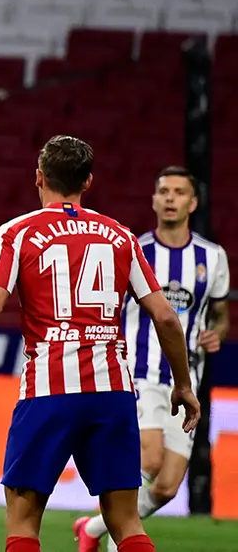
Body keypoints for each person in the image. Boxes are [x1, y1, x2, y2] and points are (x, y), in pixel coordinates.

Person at [0, 135, 201, 552]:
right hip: (112, 392)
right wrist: (184, 385)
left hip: (49, 391)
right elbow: (167, 317)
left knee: (24, 522)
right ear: (88, 182)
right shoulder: (120, 236)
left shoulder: (17, 233)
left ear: (39, 177)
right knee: (125, 522)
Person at [75, 166, 230, 552]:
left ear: (192, 203)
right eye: (164, 191)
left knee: (166, 486)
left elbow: (221, 314)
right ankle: (118, 543)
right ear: (154, 200)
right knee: (150, 457)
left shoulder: (212, 258)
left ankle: (92, 528)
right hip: (137, 373)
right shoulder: (132, 249)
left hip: (185, 379)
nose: (171, 198)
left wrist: (217, 334)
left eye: (179, 192)